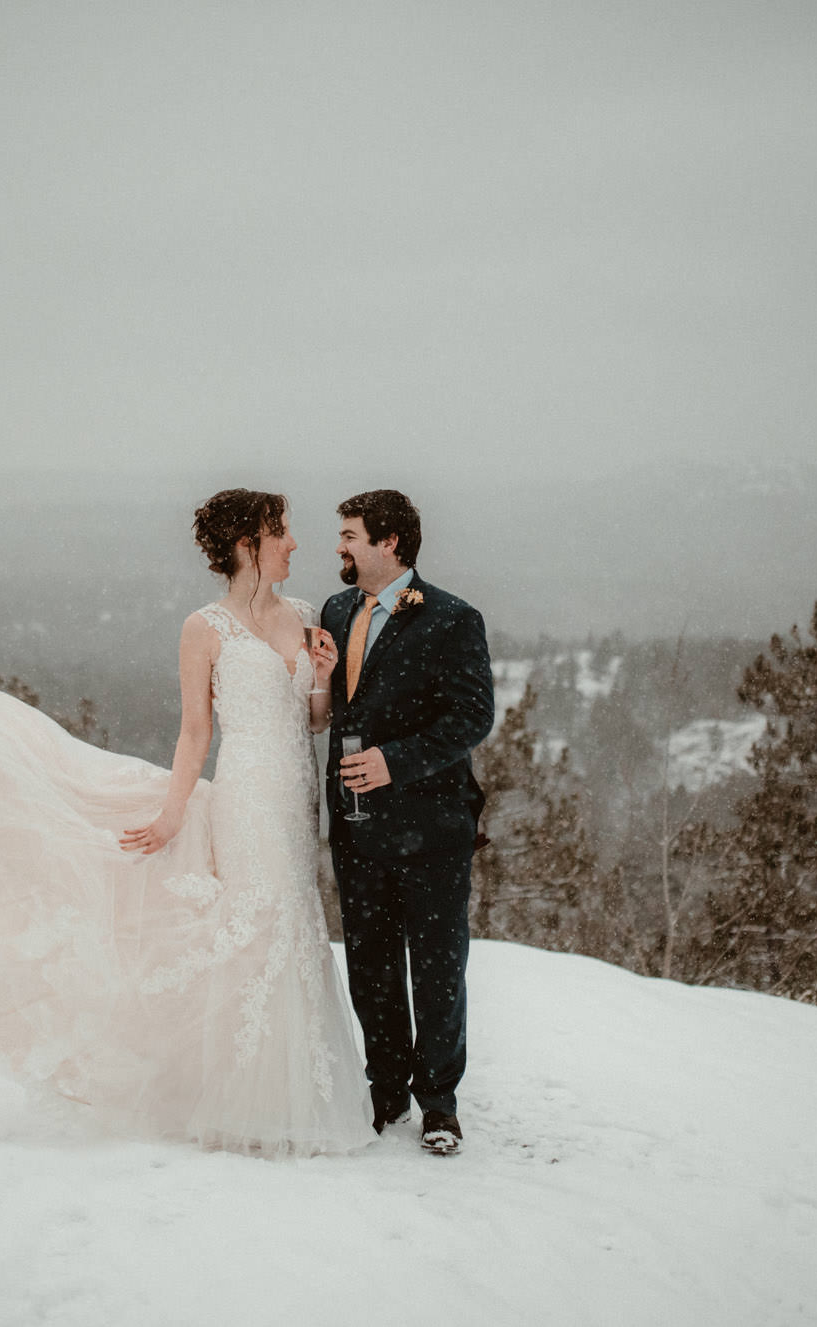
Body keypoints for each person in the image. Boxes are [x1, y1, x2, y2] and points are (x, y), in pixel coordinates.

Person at [0, 489, 375, 1158]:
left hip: (297, 798)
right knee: (259, 925)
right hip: (246, 798)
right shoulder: (204, 627)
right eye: (283, 533)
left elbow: (316, 720)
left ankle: (300, 1095)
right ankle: (247, 1100)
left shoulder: (303, 614)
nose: (295, 544)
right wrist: (173, 811)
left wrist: (321, 677)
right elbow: (194, 732)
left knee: (296, 922)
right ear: (249, 545)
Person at [322, 489, 494, 1156]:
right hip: (357, 826)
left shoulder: (453, 618)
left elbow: (470, 718)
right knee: (370, 964)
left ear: (390, 542)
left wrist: (394, 761)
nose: (339, 547)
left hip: (432, 827)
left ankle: (440, 1103)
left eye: (350, 535)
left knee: (438, 967)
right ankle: (385, 1087)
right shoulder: (337, 611)